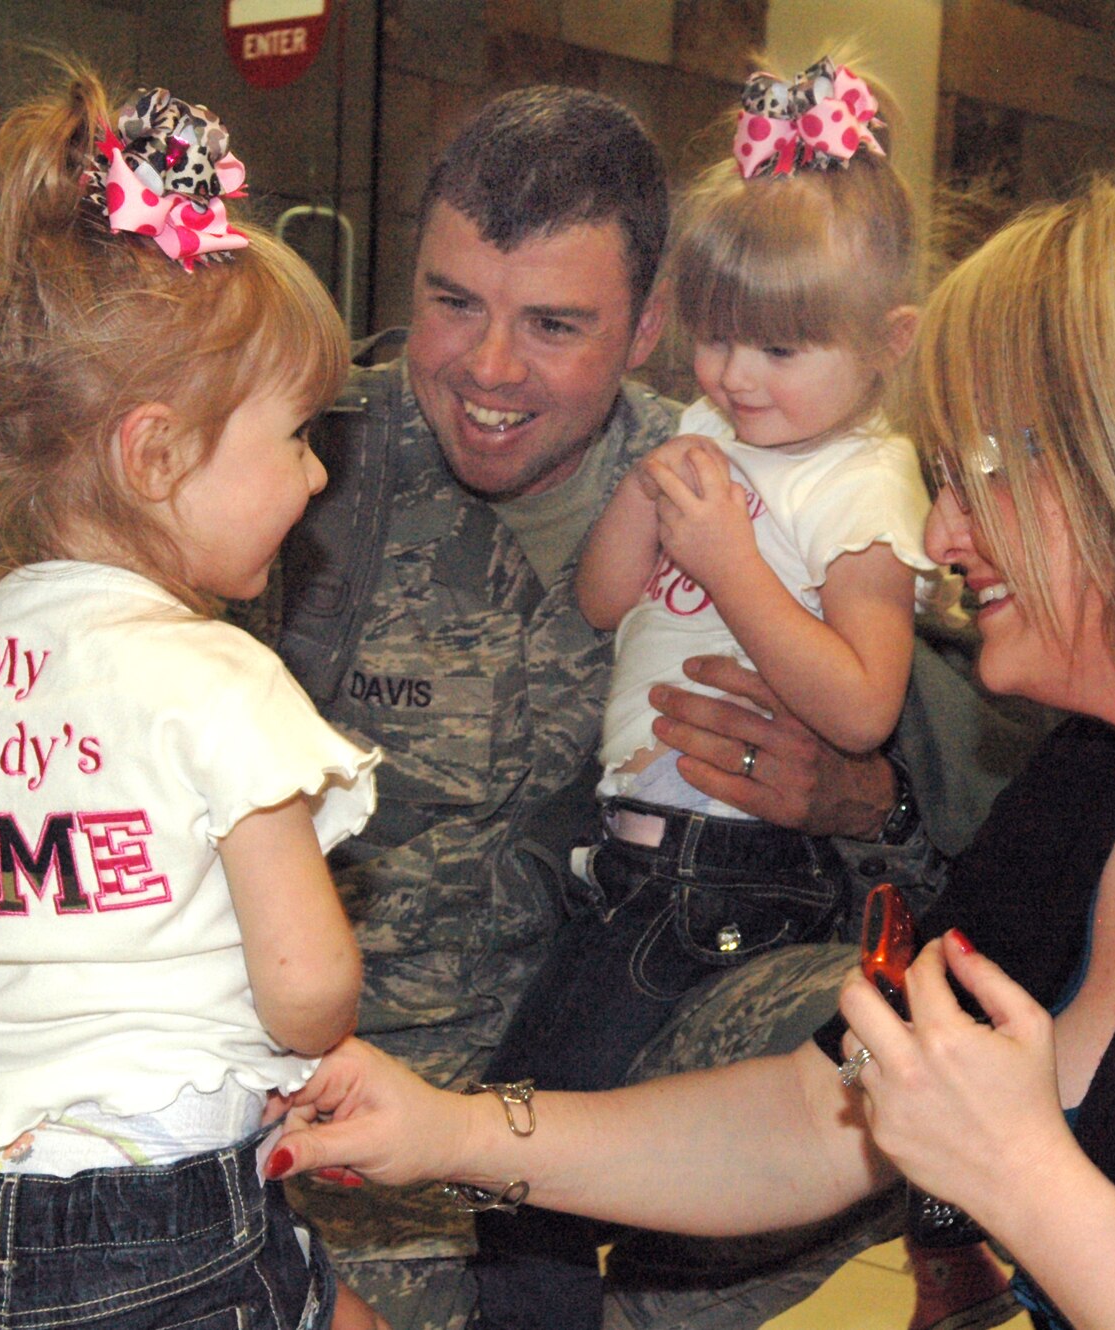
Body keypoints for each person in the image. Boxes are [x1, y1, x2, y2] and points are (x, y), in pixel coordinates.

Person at [267, 157, 1115, 1329]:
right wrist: (451, 1132)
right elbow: (822, 1111)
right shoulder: (1096, 779)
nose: (942, 528)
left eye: (983, 478)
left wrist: (1019, 1173)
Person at [268, 83, 1042, 1330]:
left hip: (640, 1044)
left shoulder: (795, 474)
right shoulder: (294, 472)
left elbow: (993, 794)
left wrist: (863, 797)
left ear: (647, 327)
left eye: (554, 324)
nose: (489, 367)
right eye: (450, 303)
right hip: (327, 1122)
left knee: (911, 1025)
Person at [0, 60, 378, 1330]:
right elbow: (306, 984)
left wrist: (28, 1037)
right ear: (155, 452)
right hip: (174, 1217)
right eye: (296, 434)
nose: (312, 478)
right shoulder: (221, 683)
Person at [469, 59, 945, 1330]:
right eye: (717, 332)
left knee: (529, 1147)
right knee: (546, 1140)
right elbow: (601, 599)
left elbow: (857, 705)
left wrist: (731, 563)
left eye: (781, 347)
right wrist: (647, 493)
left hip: (727, 870)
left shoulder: (859, 486)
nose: (736, 375)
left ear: (884, 343)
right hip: (633, 859)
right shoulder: (707, 427)